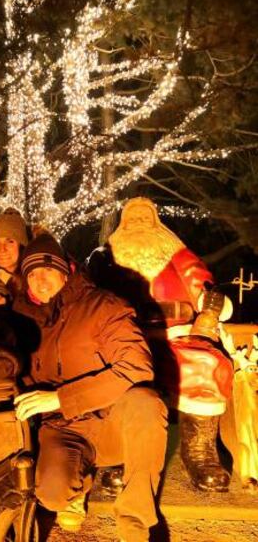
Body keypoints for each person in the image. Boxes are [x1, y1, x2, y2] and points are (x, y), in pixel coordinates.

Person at [13, 233, 167, 542]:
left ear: (65, 270)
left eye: (46, 270)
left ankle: (134, 522)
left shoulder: (101, 305)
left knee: (146, 403)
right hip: (63, 431)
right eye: (31, 274)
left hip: (111, 420)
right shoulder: (23, 321)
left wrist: (59, 398)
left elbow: (136, 365)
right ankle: (78, 484)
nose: (40, 280)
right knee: (52, 495)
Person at [87, 197, 234, 492]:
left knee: (206, 363)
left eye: (146, 217)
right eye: (133, 218)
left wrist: (209, 305)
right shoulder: (105, 257)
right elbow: (89, 293)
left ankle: (199, 451)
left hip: (179, 334)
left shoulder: (177, 254)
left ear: (156, 222)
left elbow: (199, 282)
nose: (140, 223)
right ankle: (122, 451)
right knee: (112, 373)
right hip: (125, 337)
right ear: (122, 223)